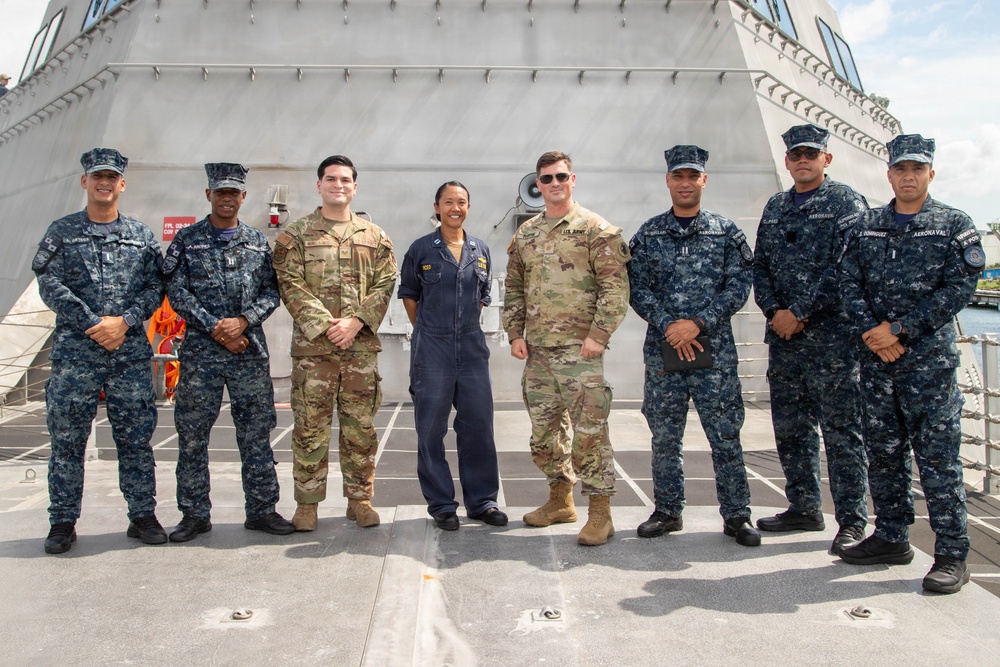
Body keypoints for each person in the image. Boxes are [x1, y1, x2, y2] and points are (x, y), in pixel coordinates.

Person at [839, 134, 983, 594]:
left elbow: (958, 289)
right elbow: (847, 283)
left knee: (938, 461)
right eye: (901, 168)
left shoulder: (952, 224)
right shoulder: (866, 225)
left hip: (929, 367)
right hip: (877, 364)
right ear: (889, 174)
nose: (908, 176)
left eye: (917, 169)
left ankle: (952, 554)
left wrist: (899, 329)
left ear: (930, 174)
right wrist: (873, 333)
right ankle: (891, 537)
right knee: (883, 455)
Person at [33, 148, 166, 554]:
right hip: (77, 352)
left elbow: (154, 287)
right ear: (84, 182)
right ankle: (62, 521)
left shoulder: (140, 235)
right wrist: (93, 323)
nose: (104, 183)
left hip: (127, 352)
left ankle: (142, 514)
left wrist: (123, 322)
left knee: (135, 438)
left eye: (112, 177)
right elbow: (49, 281)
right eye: (97, 177)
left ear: (122, 184)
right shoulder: (62, 231)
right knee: (69, 441)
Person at [627, 145, 760, 547]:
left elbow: (739, 285)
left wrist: (697, 324)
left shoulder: (726, 232)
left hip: (713, 350)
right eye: (678, 176)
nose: (685, 183)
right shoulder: (648, 235)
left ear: (704, 180)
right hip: (664, 351)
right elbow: (635, 287)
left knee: (724, 434)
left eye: (692, 176)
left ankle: (737, 515)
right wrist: (671, 325)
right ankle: (668, 510)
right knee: (665, 435)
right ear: (668, 180)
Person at [752, 124, 869, 554]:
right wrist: (774, 312)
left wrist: (799, 312)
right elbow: (759, 265)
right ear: (787, 161)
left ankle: (853, 521)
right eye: (796, 154)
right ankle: (803, 507)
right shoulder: (777, 205)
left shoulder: (845, 203)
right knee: (791, 429)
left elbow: (847, 267)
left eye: (811, 154)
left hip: (832, 343)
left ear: (826, 159)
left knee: (841, 433)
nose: (803, 160)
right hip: (784, 342)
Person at [503, 151, 630, 546]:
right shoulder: (526, 234)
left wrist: (599, 335)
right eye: (546, 178)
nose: (554, 183)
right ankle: (560, 501)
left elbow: (615, 288)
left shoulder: (597, 230)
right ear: (537, 185)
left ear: (573, 180)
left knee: (590, 433)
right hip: (538, 353)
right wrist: (514, 332)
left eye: (561, 176)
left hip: (581, 353)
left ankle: (600, 514)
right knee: (544, 434)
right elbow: (514, 287)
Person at [162, 162, 294, 541]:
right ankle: (194, 515)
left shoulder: (256, 241)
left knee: (255, 434)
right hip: (202, 355)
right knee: (192, 436)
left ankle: (262, 509)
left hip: (247, 353)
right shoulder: (187, 241)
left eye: (233, 193)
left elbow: (272, 291)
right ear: (209, 195)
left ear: (243, 197)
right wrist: (216, 327)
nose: (227, 198)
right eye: (220, 192)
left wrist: (243, 320)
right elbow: (176, 290)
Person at [273, 155, 397, 531]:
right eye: (331, 179)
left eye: (345, 180)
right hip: (315, 353)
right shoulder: (295, 235)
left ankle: (359, 500)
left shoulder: (375, 237)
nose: (338, 185)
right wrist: (327, 325)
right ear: (319, 185)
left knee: (360, 428)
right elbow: (289, 283)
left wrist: (356, 322)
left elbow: (386, 282)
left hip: (359, 351)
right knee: (310, 427)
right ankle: (307, 504)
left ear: (354, 187)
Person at [398, 182, 507, 531]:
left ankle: (482, 502)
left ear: (468, 207)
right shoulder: (421, 249)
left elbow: (481, 297)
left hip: (472, 347)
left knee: (478, 426)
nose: (455, 208)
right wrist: (432, 330)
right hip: (433, 348)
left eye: (461, 202)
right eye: (448, 202)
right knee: (430, 429)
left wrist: (460, 330)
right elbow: (410, 296)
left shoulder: (481, 249)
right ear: (437, 207)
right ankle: (442, 504)